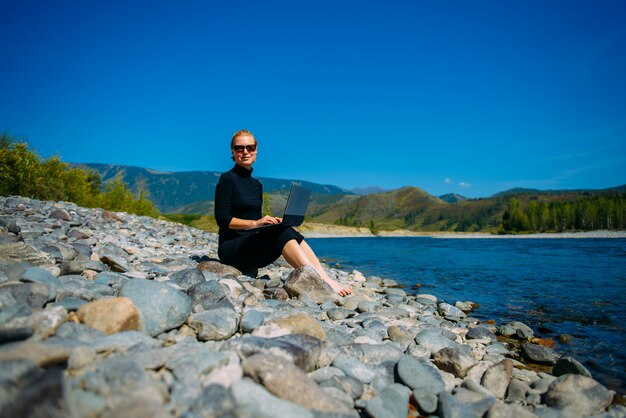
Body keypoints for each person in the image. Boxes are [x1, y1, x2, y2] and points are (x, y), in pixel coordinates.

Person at [214, 129, 352, 296]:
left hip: (250, 244)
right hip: (232, 248)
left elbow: (255, 220)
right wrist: (256, 223)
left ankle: (324, 277)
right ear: (233, 151)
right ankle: (322, 281)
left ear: (256, 150)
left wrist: (268, 223)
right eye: (239, 148)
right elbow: (222, 219)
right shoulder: (227, 179)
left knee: (286, 230)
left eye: (250, 147)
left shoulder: (257, 185)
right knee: (282, 232)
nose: (245, 152)